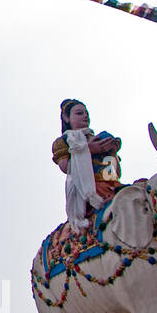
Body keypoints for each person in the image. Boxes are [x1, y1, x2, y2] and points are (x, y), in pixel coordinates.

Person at [51, 98, 123, 233]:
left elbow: (113, 174)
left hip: (112, 186)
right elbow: (66, 167)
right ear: (66, 118)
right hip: (87, 191)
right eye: (79, 113)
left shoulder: (99, 138)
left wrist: (111, 152)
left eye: (86, 114)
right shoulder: (65, 141)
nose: (85, 116)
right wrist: (88, 149)